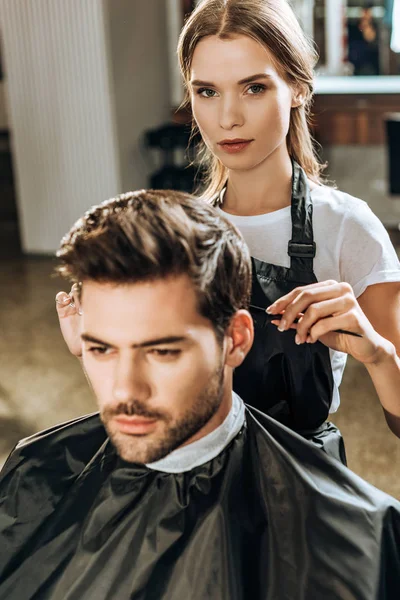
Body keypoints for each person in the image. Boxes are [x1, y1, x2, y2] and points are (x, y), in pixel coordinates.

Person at [1, 189, 400, 599]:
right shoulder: (35, 476)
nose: (124, 390)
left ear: (236, 340)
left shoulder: (353, 534)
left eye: (161, 351)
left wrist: (383, 357)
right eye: (102, 348)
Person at [56, 0, 400, 462]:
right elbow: (161, 408)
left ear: (297, 88)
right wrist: (100, 351)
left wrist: (379, 355)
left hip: (301, 489)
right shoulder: (180, 233)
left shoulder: (346, 226)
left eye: (254, 88)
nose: (227, 118)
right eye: (207, 91)